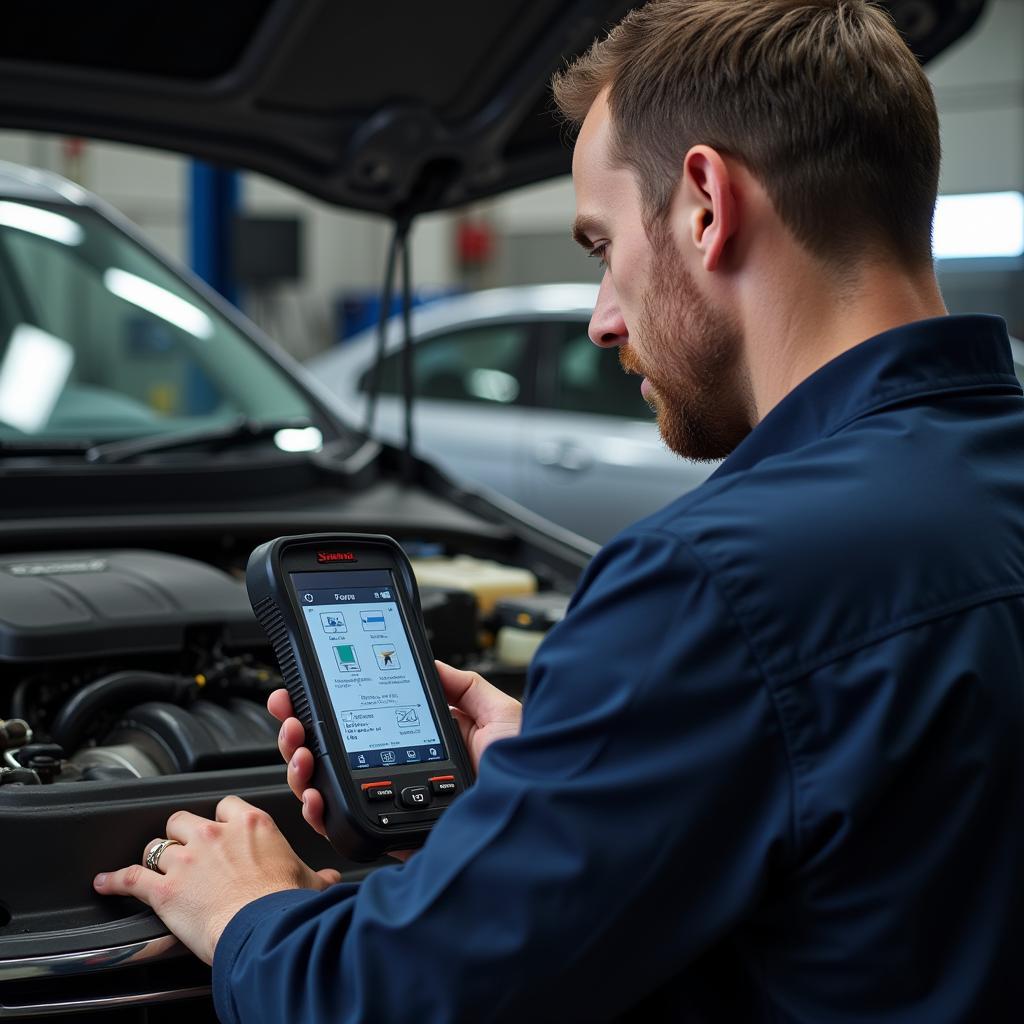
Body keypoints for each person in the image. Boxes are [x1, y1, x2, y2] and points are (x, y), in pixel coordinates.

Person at [94, 1, 1024, 1019]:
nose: (601, 319)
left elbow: (387, 1000)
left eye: (599, 246)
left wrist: (247, 914)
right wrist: (580, 776)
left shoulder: (716, 580)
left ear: (706, 204)